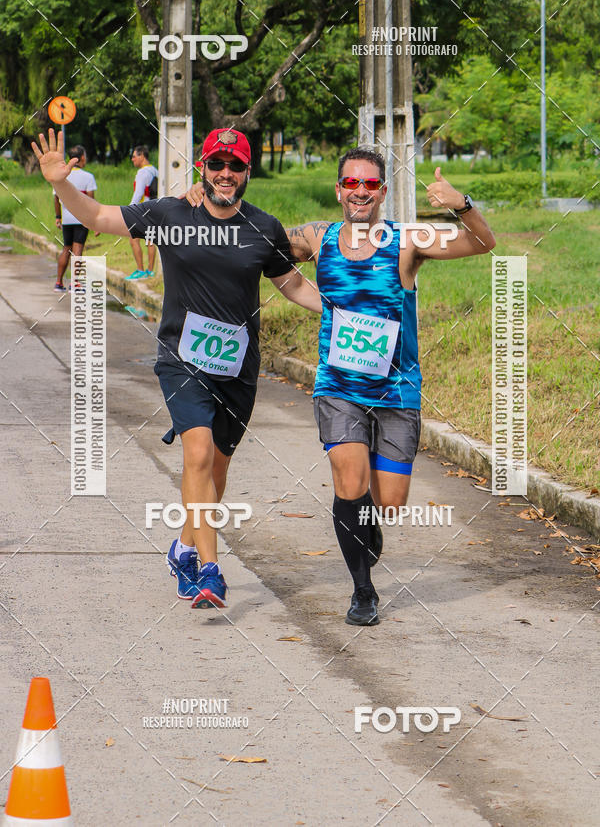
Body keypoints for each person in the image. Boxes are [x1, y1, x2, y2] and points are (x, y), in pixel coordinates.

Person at [32, 126, 321, 610]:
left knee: (217, 471)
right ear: (201, 168)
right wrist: (62, 184)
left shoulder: (263, 227)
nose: (225, 173)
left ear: (248, 172)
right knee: (198, 456)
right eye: (216, 164)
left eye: (235, 166)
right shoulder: (170, 214)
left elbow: (291, 284)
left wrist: (339, 311)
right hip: (182, 361)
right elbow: (99, 216)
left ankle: (185, 547)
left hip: (239, 368)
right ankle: (210, 569)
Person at [286, 149, 496, 626]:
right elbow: (256, 246)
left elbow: (483, 244)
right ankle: (363, 591)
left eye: (371, 184)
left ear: (382, 191)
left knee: (389, 503)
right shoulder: (319, 237)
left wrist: (460, 204)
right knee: (348, 479)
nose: (360, 190)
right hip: (338, 383)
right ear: (338, 188)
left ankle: (368, 527)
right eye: (351, 182)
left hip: (397, 388)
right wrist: (200, 200)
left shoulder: (406, 240)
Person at [52, 145, 96, 292]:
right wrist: (94, 221)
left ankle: (58, 283)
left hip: (66, 219)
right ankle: (75, 284)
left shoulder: (61, 176)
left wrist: (58, 217)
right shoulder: (88, 176)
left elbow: (56, 198)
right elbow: (91, 201)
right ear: (81, 158)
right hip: (82, 218)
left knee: (66, 249)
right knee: (77, 250)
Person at [126, 144, 158, 280]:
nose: (132, 159)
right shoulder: (155, 170)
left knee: (133, 239)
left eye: (134, 157)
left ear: (142, 156)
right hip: (153, 209)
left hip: (141, 211)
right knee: (150, 240)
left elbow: (138, 194)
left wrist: (129, 210)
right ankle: (150, 271)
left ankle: (140, 270)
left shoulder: (142, 173)